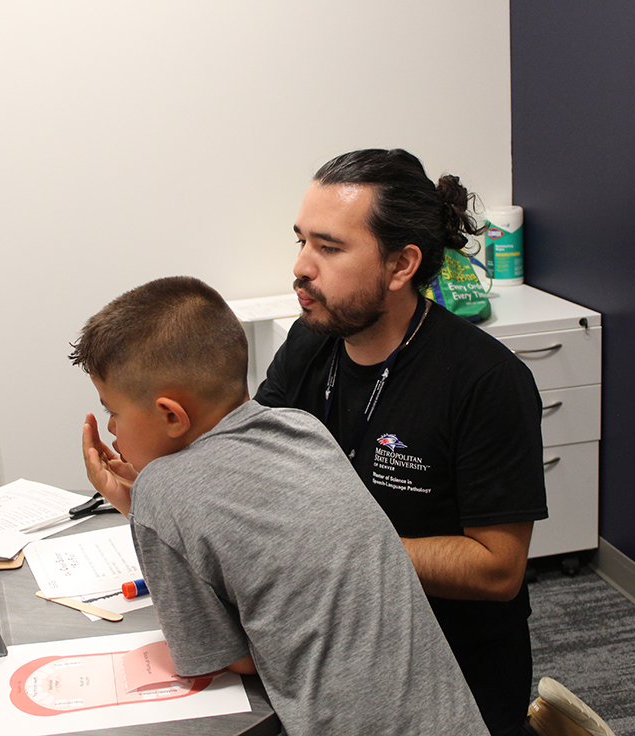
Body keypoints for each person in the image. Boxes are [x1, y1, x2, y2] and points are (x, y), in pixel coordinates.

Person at [70, 275, 488, 736]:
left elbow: (232, 659)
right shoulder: (302, 428)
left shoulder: (160, 489)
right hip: (455, 718)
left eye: (112, 411)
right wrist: (145, 507)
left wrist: (145, 506)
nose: (110, 429)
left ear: (172, 415)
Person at [254, 149, 549, 736]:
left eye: (329, 248)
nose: (301, 268)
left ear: (401, 265)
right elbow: (254, 465)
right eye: (301, 242)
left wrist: (338, 550)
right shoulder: (309, 344)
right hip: (331, 646)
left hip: (448, 679)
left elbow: (498, 569)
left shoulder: (485, 381)